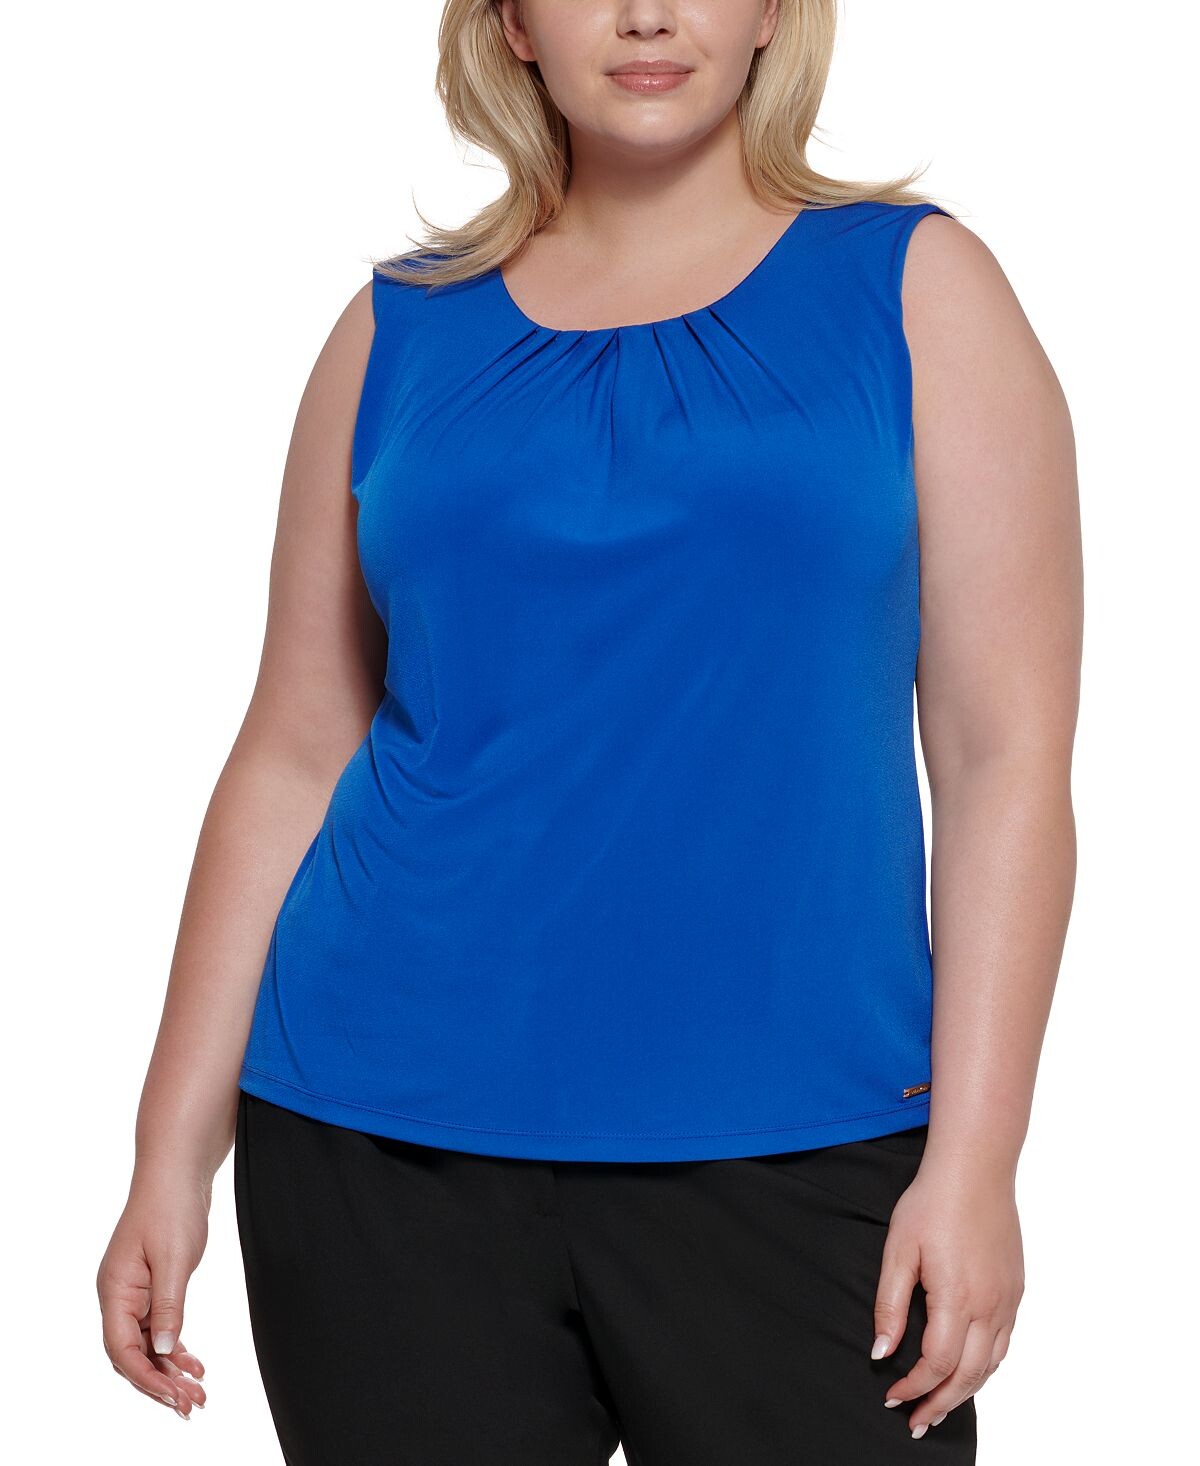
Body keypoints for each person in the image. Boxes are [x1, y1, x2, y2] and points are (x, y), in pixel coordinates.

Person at [96, 1, 1082, 1461]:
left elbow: (1006, 766)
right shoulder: (394, 330)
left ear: (773, 11)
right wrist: (169, 1151)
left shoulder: (921, 291)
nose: (645, 11)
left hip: (804, 1139)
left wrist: (979, 1161)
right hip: (378, 1145)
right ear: (508, 20)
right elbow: (296, 746)